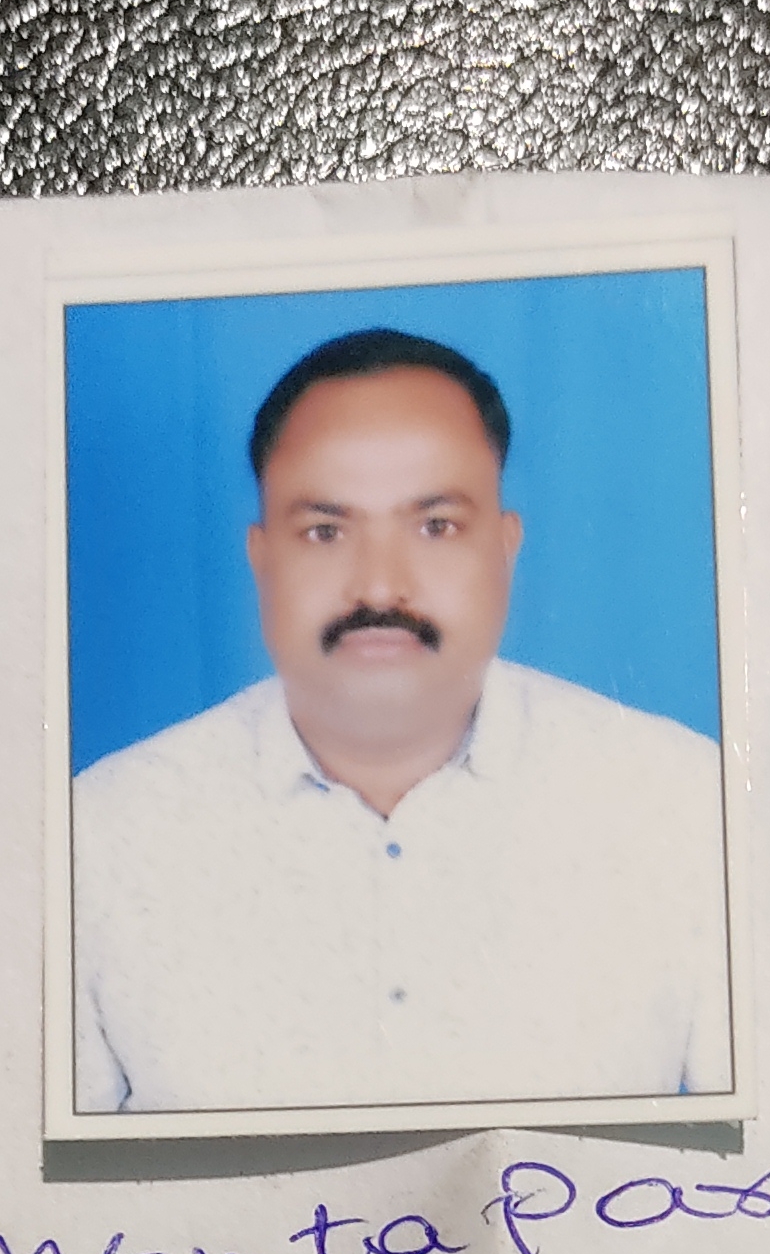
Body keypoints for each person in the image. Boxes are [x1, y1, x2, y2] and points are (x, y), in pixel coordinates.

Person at [70, 323, 732, 1112]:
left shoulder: (683, 803)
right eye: (325, 531)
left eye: (435, 526)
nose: (380, 587)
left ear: (506, 548)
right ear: (261, 557)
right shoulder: (102, 834)